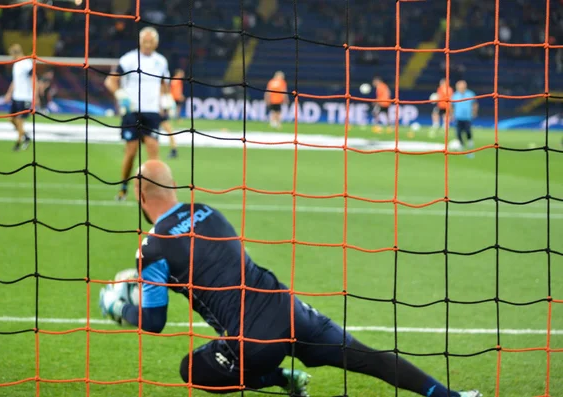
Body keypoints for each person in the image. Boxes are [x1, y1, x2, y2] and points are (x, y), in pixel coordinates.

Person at [99, 159, 483, 397]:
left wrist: (118, 307)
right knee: (365, 357)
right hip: (288, 307)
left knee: (192, 370)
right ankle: (450, 396)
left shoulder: (153, 247)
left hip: (254, 341)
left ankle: (281, 378)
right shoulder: (207, 210)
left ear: (140, 193)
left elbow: (154, 322)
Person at [104, 26, 172, 201]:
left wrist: (166, 102)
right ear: (140, 41)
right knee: (132, 152)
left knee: (153, 154)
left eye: (151, 41)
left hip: (152, 112)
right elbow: (110, 81)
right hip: (132, 112)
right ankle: (123, 187)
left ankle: (153, 193)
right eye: (145, 41)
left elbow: (165, 85)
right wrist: (120, 96)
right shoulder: (129, 59)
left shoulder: (161, 61)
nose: (148, 44)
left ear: (156, 43)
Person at [4, 44, 36, 152]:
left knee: (19, 120)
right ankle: (26, 136)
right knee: (11, 119)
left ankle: (18, 143)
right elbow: (15, 80)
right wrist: (9, 93)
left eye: (11, 54)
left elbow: (33, 78)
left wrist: (34, 95)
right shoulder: (16, 64)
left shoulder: (27, 63)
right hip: (16, 96)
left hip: (25, 97)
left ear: (15, 53)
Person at [451, 80, 478, 158]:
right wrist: (451, 115)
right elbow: (451, 106)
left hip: (467, 117)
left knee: (467, 130)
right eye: (459, 86)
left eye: (462, 86)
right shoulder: (455, 95)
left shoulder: (470, 94)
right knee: (458, 132)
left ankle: (470, 142)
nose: (460, 87)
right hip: (458, 117)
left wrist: (474, 112)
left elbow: (475, 103)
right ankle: (461, 145)